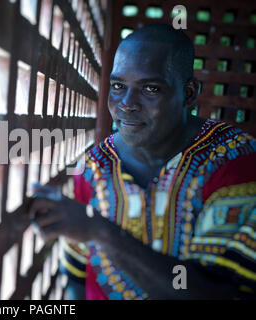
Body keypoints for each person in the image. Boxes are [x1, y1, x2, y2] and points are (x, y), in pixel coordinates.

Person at [28, 24, 256, 300]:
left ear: (189, 93)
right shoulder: (93, 167)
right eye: (118, 86)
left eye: (150, 88)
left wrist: (101, 232)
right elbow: (76, 276)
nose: (126, 103)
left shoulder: (232, 158)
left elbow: (219, 293)